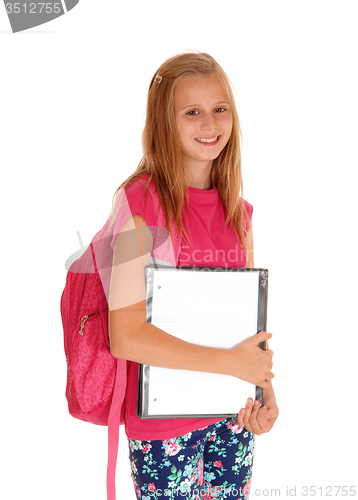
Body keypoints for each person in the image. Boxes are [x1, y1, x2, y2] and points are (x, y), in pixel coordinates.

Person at [108, 52, 279, 500]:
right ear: (165, 122)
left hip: (232, 416)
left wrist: (265, 396)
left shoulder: (239, 214)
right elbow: (125, 335)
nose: (210, 123)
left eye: (220, 108)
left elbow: (248, 327)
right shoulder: (138, 204)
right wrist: (231, 365)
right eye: (192, 112)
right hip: (164, 428)